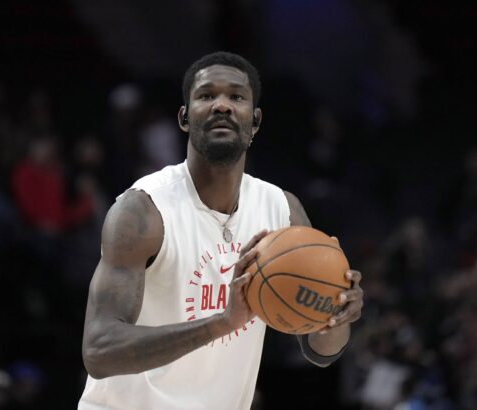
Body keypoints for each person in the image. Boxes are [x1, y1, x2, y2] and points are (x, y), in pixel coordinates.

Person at [78, 51, 364, 409]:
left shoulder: (282, 211)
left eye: (237, 96)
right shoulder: (143, 211)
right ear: (184, 118)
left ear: (255, 121)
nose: (222, 105)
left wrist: (336, 312)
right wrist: (220, 323)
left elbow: (320, 351)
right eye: (206, 95)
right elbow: (99, 350)